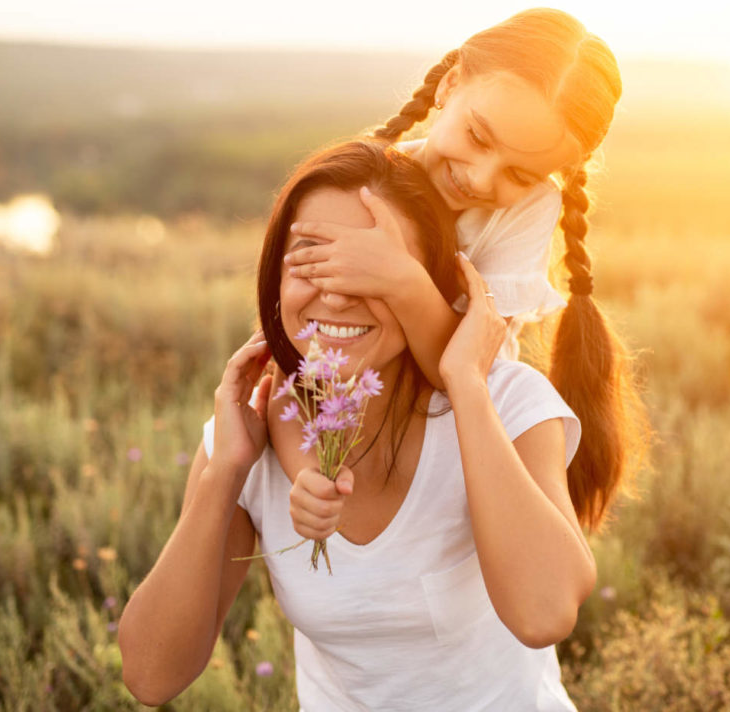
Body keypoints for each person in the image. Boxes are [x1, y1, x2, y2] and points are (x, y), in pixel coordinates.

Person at [118, 140, 642, 710]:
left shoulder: (506, 404)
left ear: (430, 286)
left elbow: (546, 613)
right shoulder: (248, 434)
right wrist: (226, 472)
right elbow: (151, 676)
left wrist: (465, 383)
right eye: (312, 258)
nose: (337, 294)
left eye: (375, 269)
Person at [278, 8, 637, 528]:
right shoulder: (362, 183)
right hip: (354, 429)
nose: (482, 180)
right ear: (449, 85)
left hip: (462, 438)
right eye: (478, 137)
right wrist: (306, 464)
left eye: (519, 172)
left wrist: (400, 280)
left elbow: (465, 369)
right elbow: (303, 333)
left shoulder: (527, 208)